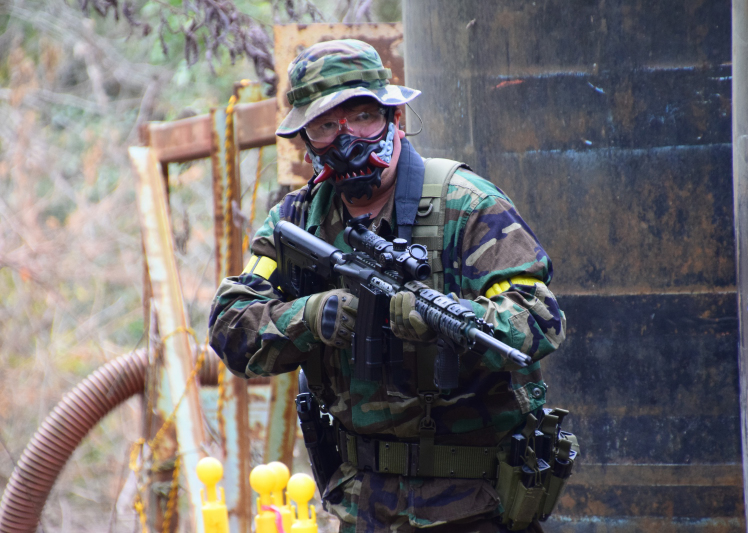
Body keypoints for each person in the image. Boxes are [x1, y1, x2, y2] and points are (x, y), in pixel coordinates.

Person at [209, 39, 567, 532]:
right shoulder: (298, 221)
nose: (346, 139)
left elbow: (539, 319)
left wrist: (449, 322)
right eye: (325, 126)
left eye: (362, 117)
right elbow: (231, 326)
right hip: (362, 506)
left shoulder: (466, 205)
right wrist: (307, 317)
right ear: (306, 140)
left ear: (394, 118)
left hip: (474, 505)